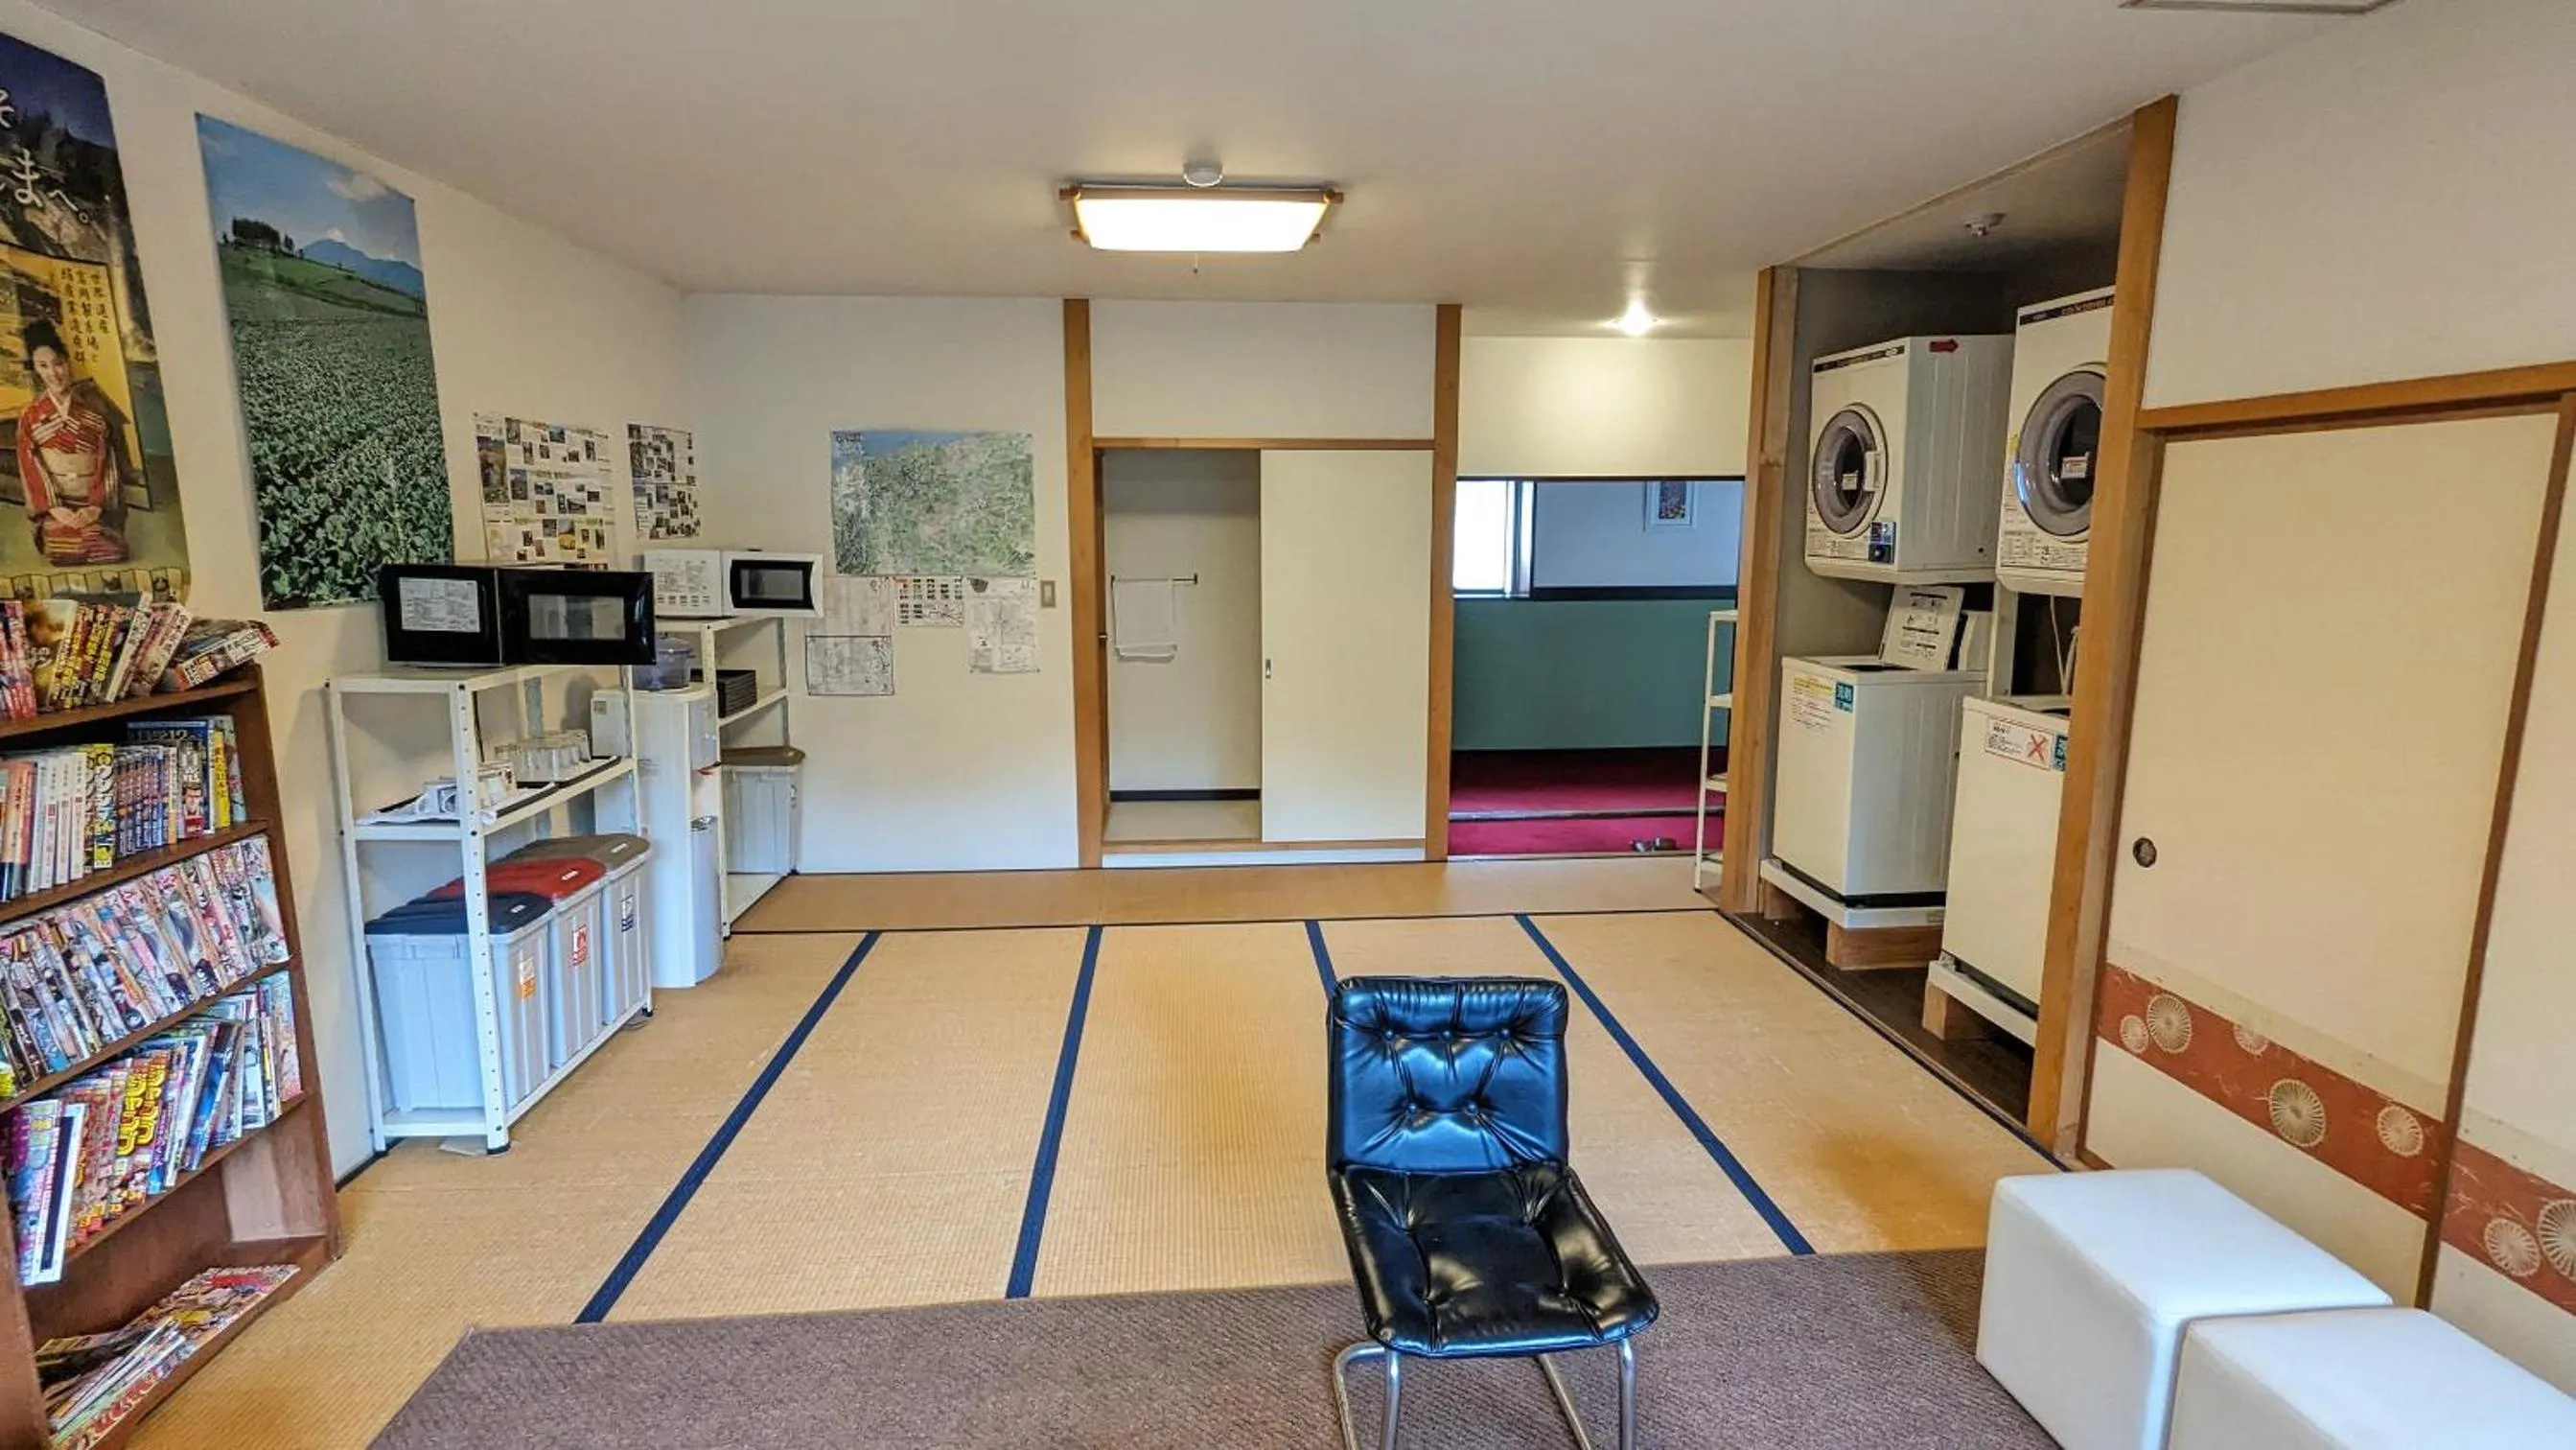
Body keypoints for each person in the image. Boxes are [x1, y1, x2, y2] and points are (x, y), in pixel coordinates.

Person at [15, 319, 128, 565]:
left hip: (92, 501)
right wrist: (56, 509)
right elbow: (31, 467)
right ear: (35, 369)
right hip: (58, 505)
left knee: (111, 549)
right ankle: (62, 530)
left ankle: (92, 528)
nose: (53, 373)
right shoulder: (31, 415)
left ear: (68, 362)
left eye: (58, 364)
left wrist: (95, 507)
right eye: (43, 366)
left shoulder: (95, 410)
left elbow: (106, 462)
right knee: (60, 545)